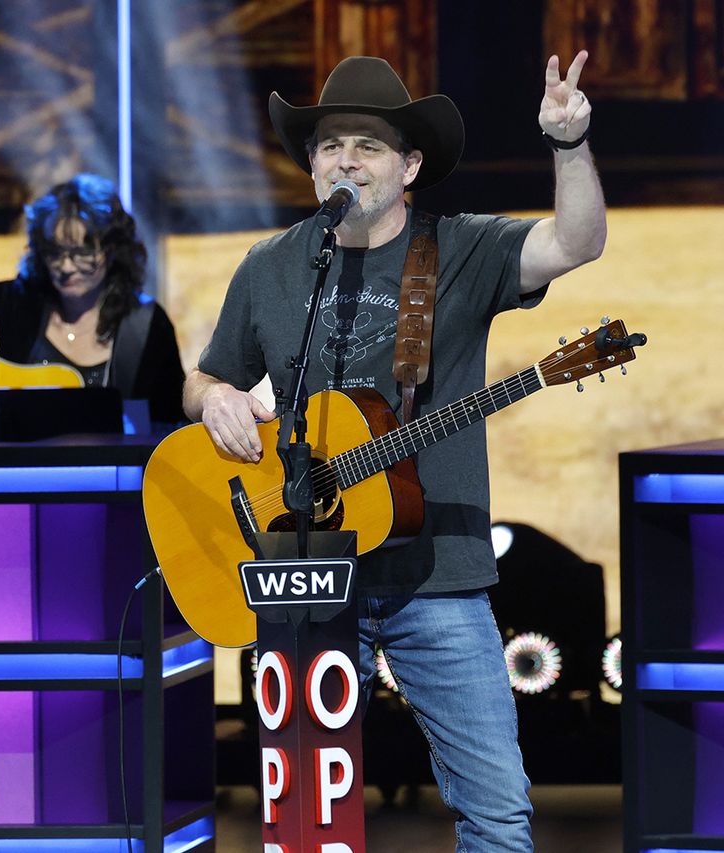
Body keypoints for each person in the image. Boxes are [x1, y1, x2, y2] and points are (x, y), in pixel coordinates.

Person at [185, 53, 605, 850]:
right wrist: (215, 399)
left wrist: (570, 144)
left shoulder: (461, 249)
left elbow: (576, 242)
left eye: (368, 144)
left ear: (410, 165)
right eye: (330, 143)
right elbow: (207, 374)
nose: (345, 158)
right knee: (307, 823)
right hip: (305, 573)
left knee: (497, 810)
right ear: (310, 163)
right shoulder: (272, 267)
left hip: (436, 580)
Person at [0, 173, 186, 428]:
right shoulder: (6, 305)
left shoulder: (146, 325)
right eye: (55, 253)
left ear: (113, 250)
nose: (66, 266)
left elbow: (169, 423)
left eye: (82, 253)